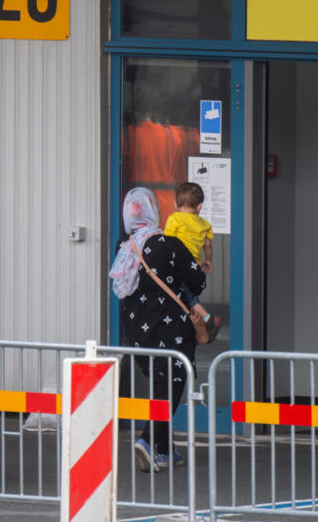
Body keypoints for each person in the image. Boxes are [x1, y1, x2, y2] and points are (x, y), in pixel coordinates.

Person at [110, 187, 206, 472]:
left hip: (136, 331)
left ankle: (164, 450)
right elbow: (197, 280)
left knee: (159, 383)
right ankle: (148, 439)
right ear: (153, 210)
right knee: (174, 382)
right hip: (170, 329)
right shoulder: (168, 244)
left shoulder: (124, 246)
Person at [163, 182, 222, 340]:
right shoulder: (205, 225)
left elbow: (167, 242)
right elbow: (208, 245)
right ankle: (200, 323)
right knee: (187, 295)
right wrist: (208, 261)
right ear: (199, 206)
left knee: (186, 297)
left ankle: (209, 319)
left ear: (175, 204)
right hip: (194, 267)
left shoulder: (174, 219)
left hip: (177, 266)